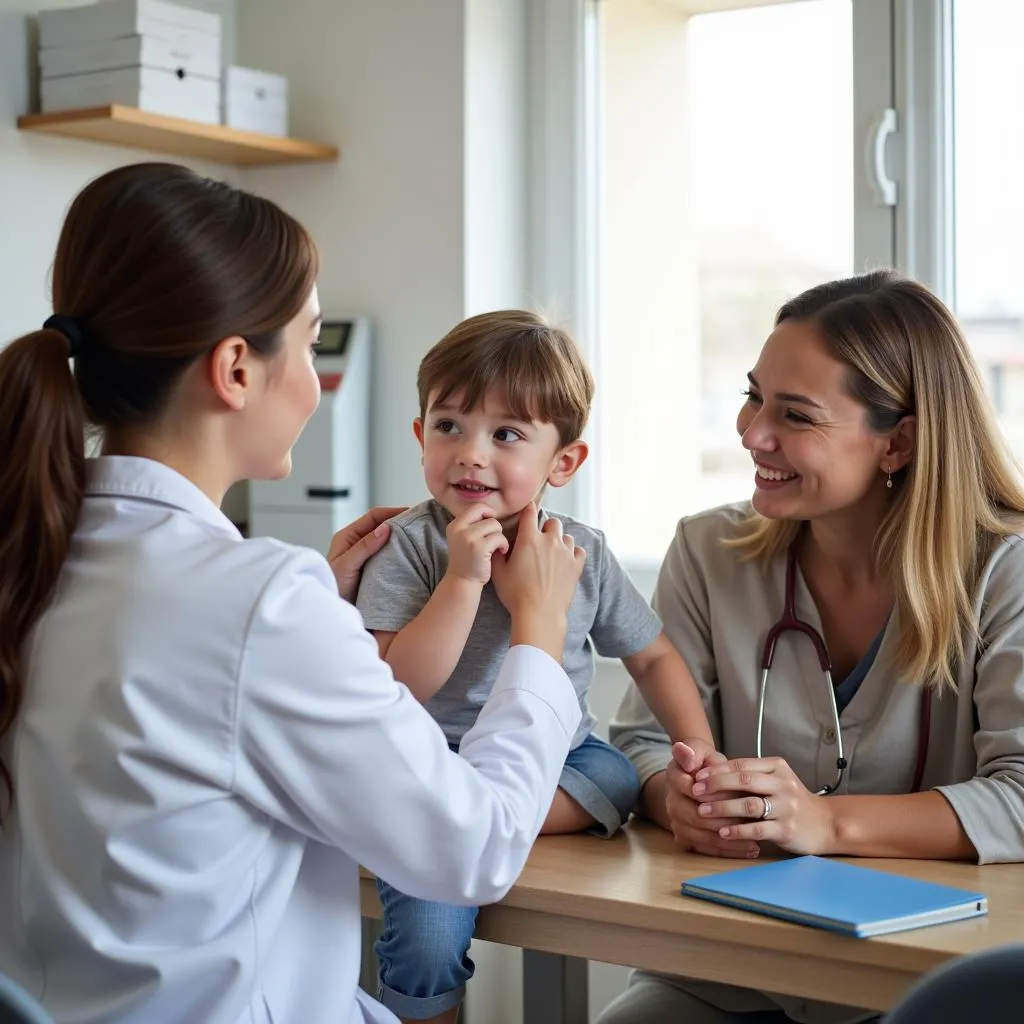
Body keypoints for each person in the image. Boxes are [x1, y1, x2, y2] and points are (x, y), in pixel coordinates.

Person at [0, 163, 593, 1024]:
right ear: (237, 369)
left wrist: (309, 609)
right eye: (311, 345)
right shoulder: (260, 603)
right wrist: (537, 634)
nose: (316, 382)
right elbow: (473, 847)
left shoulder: (34, 552)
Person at [600, 270, 1024, 1024]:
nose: (751, 432)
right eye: (752, 395)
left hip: (921, 982)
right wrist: (679, 801)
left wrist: (826, 823)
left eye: (794, 415)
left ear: (900, 441)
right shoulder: (710, 551)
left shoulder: (1006, 572)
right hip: (729, 968)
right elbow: (640, 743)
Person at [354, 310, 717, 1024]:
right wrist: (463, 581)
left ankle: (497, 820)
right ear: (421, 435)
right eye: (450, 425)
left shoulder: (580, 552)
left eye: (507, 434)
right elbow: (400, 681)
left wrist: (698, 747)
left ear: (564, 462)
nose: (471, 454)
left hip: (556, 760)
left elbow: (652, 655)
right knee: (426, 938)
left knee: (616, 773)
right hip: (435, 769)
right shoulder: (410, 545)